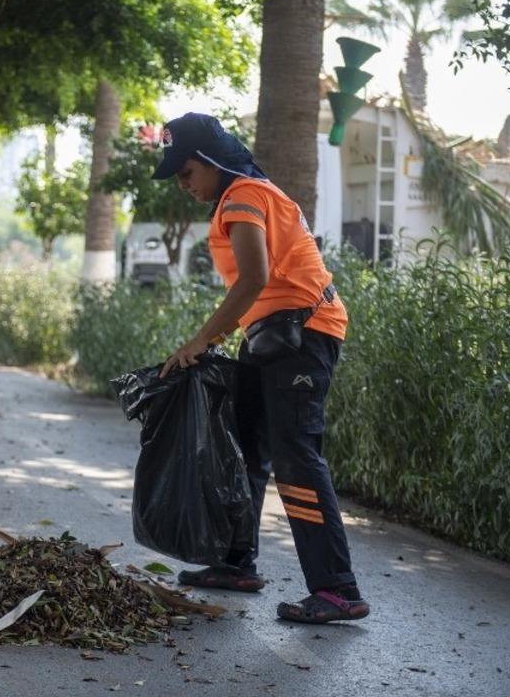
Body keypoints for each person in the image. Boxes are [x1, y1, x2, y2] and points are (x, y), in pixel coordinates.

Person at [153, 112, 369, 624]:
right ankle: (234, 563)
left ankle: (337, 588)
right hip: (269, 334)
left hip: (303, 334)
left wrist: (202, 340)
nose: (183, 185)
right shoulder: (236, 198)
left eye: (186, 173)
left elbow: (254, 277)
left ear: (207, 160)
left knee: (296, 456)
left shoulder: (246, 194)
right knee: (243, 451)